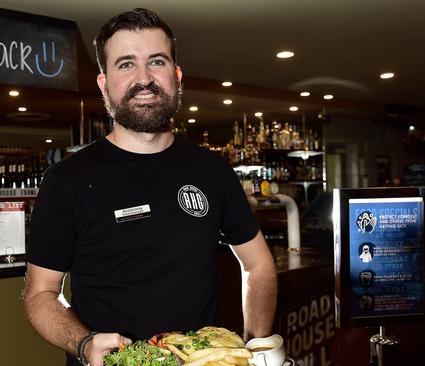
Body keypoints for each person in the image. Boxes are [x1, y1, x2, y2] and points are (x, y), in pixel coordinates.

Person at [23, 8, 277, 366]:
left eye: (156, 61)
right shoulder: (67, 180)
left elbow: (258, 264)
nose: (144, 78)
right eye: (126, 64)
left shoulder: (212, 170)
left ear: (176, 75)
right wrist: (83, 344)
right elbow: (40, 294)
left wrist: (254, 349)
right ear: (104, 83)